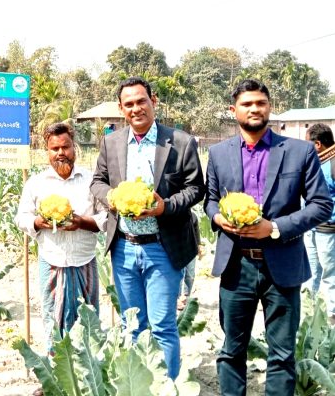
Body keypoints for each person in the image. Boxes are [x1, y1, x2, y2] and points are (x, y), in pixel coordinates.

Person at [204, 79, 333, 395]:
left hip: (283, 266)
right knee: (232, 351)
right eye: (246, 104)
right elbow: (209, 199)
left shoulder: (299, 151)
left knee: (282, 355)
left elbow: (321, 205)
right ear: (233, 110)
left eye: (260, 103)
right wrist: (218, 217)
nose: (254, 109)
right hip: (236, 266)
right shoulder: (219, 153)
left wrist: (273, 228)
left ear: (269, 107)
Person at [90, 77, 205, 380]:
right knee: (132, 324)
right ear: (121, 108)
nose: (136, 108)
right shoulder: (111, 142)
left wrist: (164, 206)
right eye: (129, 104)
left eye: (141, 101)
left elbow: (196, 189)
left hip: (163, 246)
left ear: (154, 100)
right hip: (124, 247)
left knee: (163, 325)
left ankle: (167, 386)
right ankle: (139, 384)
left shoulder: (180, 141)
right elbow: (97, 182)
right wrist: (111, 198)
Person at [15, 122, 106, 353]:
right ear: (47, 151)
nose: (60, 153)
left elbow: (107, 216)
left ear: (74, 147)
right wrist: (37, 222)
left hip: (84, 260)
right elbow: (21, 217)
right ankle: (58, 372)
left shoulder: (91, 179)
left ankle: (88, 371)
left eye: (65, 147)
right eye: (54, 149)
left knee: (88, 318)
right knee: (52, 319)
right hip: (52, 260)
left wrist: (82, 222)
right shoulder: (36, 183)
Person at [303, 123, 335, 324]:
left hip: (328, 229)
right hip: (311, 227)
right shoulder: (316, 162)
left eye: (308, 143)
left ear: (317, 144)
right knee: (310, 271)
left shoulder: (333, 163)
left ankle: (332, 315)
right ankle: (309, 311)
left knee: (330, 274)